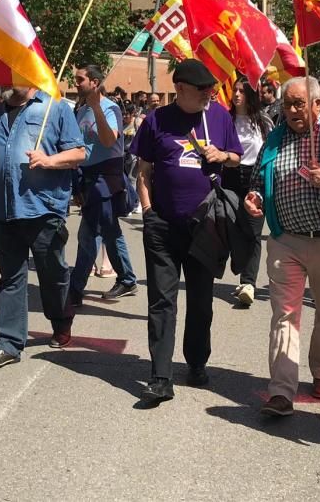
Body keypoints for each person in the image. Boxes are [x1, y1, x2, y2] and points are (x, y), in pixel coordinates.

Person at [245, 76, 320, 416]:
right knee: (284, 315)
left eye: (299, 103)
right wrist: (254, 197)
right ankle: (281, 390)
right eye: (288, 104)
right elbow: (258, 177)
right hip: (286, 241)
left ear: (317, 104)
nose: (292, 110)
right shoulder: (276, 138)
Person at [130, 59, 242, 403]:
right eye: (202, 89)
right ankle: (161, 376)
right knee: (161, 301)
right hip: (163, 225)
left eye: (210, 87)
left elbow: (238, 157)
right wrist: (148, 212)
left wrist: (221, 154)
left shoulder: (219, 116)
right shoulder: (156, 121)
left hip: (204, 225)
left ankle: (196, 361)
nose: (210, 93)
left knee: (200, 301)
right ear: (179, 90)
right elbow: (143, 172)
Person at [0, 85, 85, 369]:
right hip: (6, 211)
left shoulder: (55, 107)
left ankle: (61, 318)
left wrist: (49, 160)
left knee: (53, 273)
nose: (7, 79)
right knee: (10, 277)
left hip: (44, 209)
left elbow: (79, 153)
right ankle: (8, 343)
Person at [69, 66, 137, 307]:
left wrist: (97, 107)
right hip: (87, 178)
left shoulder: (110, 108)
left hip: (105, 179)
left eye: (80, 79)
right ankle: (127, 279)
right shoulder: (80, 110)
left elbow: (109, 140)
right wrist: (76, 185)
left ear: (95, 82)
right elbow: (78, 146)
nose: (75, 83)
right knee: (109, 230)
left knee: (89, 232)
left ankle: (75, 288)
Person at [222, 78, 272, 307]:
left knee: (253, 231)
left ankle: (248, 283)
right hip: (230, 176)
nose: (237, 94)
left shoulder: (263, 122)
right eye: (235, 89)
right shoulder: (225, 119)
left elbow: (271, 151)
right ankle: (239, 263)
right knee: (231, 227)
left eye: (242, 90)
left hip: (255, 178)